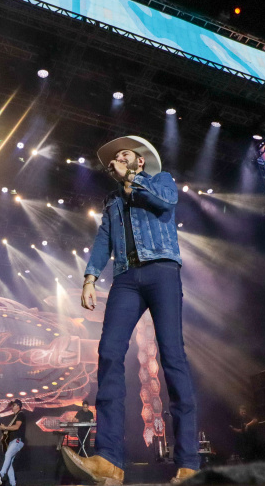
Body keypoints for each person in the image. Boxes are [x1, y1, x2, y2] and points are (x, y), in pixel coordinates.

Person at [62, 136, 199, 485]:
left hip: (162, 271)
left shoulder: (160, 180)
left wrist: (130, 181)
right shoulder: (111, 201)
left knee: (172, 358)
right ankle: (109, 460)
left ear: (140, 162)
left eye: (125, 155)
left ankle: (188, 464)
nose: (117, 159)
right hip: (125, 277)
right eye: (115, 159)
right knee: (109, 353)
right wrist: (90, 278)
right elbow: (103, 240)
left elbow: (163, 204)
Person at [0, 399, 26, 486]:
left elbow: (17, 427)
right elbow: (11, 429)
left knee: (7, 455)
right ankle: (13, 484)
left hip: (17, 441)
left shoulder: (20, 414)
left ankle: (0, 475)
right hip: (13, 442)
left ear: (18, 406)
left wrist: (5, 428)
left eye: (13, 405)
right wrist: (4, 432)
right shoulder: (15, 416)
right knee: (9, 464)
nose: (12, 407)